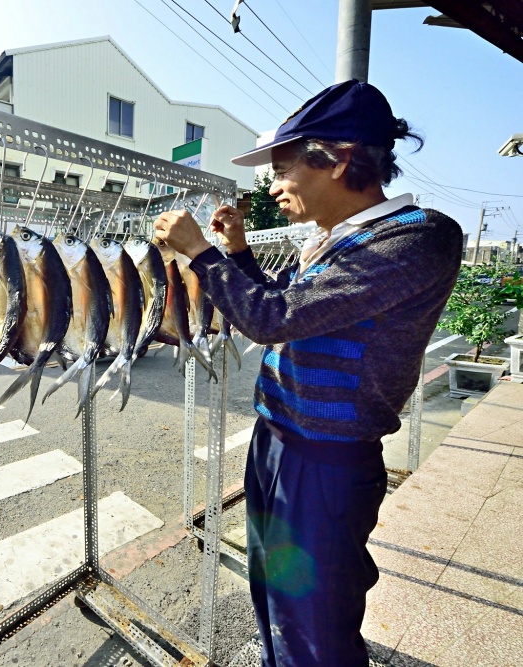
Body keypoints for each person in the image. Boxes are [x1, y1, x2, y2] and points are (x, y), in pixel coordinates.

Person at [154, 79, 463, 666]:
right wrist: (239, 252)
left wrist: (202, 254)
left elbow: (274, 318)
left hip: (326, 463)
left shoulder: (418, 238)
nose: (271, 188)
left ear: (340, 157)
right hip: (277, 444)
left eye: (281, 169)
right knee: (273, 594)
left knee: (314, 625)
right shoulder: (332, 240)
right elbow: (290, 311)